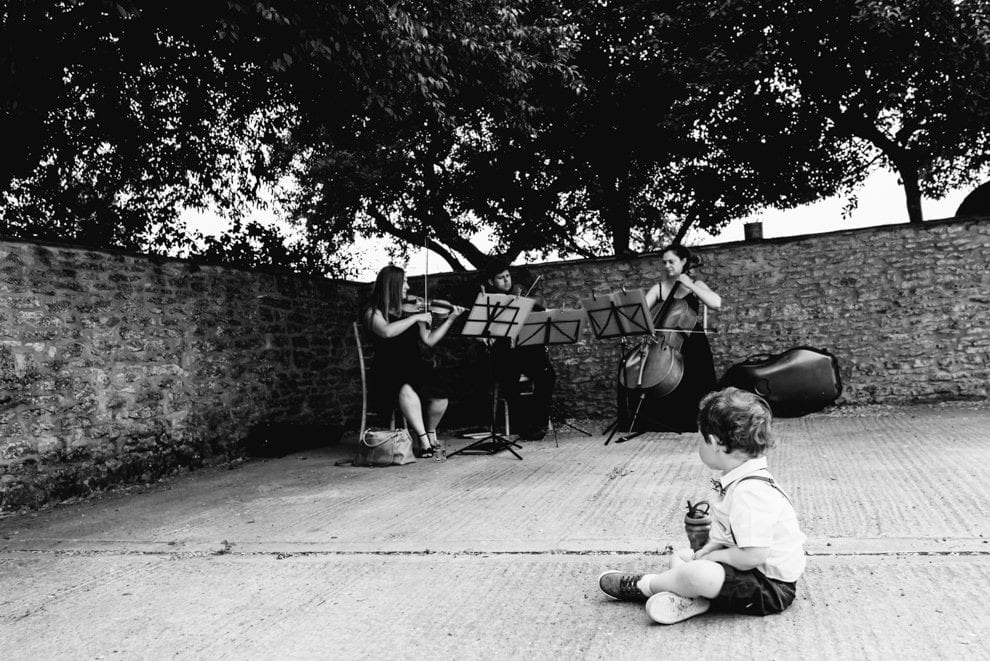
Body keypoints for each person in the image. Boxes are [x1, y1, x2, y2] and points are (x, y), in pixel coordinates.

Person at [598, 387, 806, 624]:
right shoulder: (739, 480)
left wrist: (714, 556)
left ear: (715, 443)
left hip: (769, 588)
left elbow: (753, 556)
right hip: (747, 571)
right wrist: (711, 548)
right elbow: (733, 533)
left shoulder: (750, 493)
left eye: (701, 439)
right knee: (685, 557)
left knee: (697, 572)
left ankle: (647, 585)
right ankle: (694, 600)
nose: (699, 445)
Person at [363, 265, 465, 458]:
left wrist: (450, 319)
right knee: (405, 389)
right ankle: (424, 440)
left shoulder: (411, 311)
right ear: (391, 285)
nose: (408, 287)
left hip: (414, 365)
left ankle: (431, 431)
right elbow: (386, 331)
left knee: (441, 396)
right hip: (387, 369)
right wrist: (417, 317)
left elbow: (429, 340)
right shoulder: (373, 312)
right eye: (404, 283)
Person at [626, 244, 721, 433]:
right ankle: (664, 422)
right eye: (664, 262)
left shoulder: (696, 286)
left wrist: (690, 284)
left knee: (697, 381)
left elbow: (715, 303)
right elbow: (641, 315)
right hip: (665, 342)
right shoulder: (659, 288)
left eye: (672, 261)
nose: (667, 266)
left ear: (684, 261)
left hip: (692, 343)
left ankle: (701, 423)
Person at [482, 261, 557, 440]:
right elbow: (480, 330)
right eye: (501, 278)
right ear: (491, 282)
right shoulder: (488, 302)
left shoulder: (521, 295)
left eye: (507, 276)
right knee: (510, 382)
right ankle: (522, 426)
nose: (506, 280)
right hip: (505, 354)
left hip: (528, 351)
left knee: (547, 375)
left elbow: (540, 310)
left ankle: (538, 422)